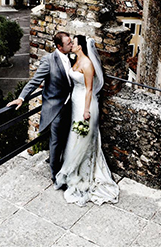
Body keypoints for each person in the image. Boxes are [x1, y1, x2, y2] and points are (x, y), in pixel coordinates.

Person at [55, 35, 119, 206]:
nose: (71, 45)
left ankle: (85, 176)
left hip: (86, 105)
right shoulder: (75, 60)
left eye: (74, 43)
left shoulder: (87, 64)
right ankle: (74, 172)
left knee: (84, 139)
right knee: (75, 136)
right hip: (75, 102)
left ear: (81, 46)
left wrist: (86, 111)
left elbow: (90, 89)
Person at [7, 31, 74, 184]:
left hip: (69, 105)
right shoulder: (48, 61)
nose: (72, 44)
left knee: (65, 137)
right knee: (55, 142)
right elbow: (34, 81)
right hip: (55, 108)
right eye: (68, 43)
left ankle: (61, 163)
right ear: (59, 46)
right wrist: (21, 98)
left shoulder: (70, 57)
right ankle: (55, 176)